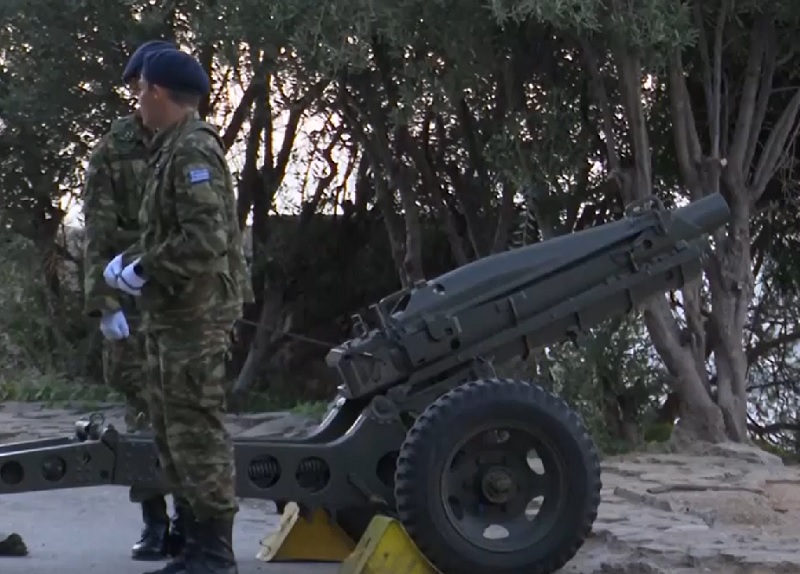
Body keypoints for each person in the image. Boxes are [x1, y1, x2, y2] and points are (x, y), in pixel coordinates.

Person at [104, 47, 251, 574]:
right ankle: (194, 547)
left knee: (196, 432)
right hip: (173, 315)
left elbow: (205, 240)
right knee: (173, 433)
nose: (137, 102)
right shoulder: (171, 149)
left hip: (196, 318)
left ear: (159, 93)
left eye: (141, 91)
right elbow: (174, 233)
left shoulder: (192, 152)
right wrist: (135, 260)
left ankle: (215, 553)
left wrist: (144, 267)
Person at [82, 39, 187, 562]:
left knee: (186, 413)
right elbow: (99, 236)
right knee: (143, 411)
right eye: (140, 86)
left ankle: (193, 521)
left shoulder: (188, 143)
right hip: (130, 295)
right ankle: (154, 522)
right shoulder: (113, 150)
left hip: (179, 296)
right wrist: (106, 306)